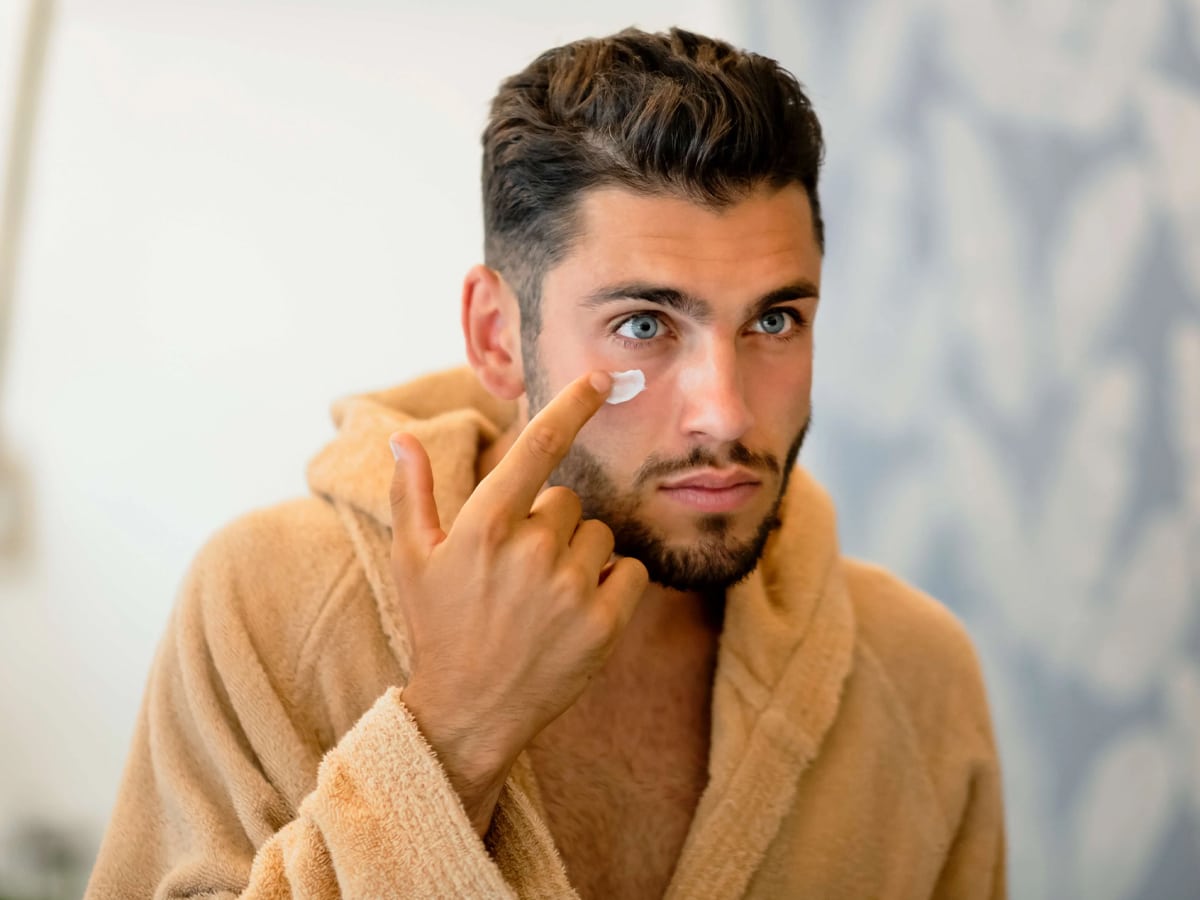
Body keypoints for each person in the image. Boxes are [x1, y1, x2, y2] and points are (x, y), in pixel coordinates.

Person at [86, 26, 1005, 900]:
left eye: (774, 321)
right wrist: (451, 733)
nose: (724, 411)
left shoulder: (920, 674)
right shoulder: (269, 603)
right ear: (498, 336)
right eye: (644, 325)